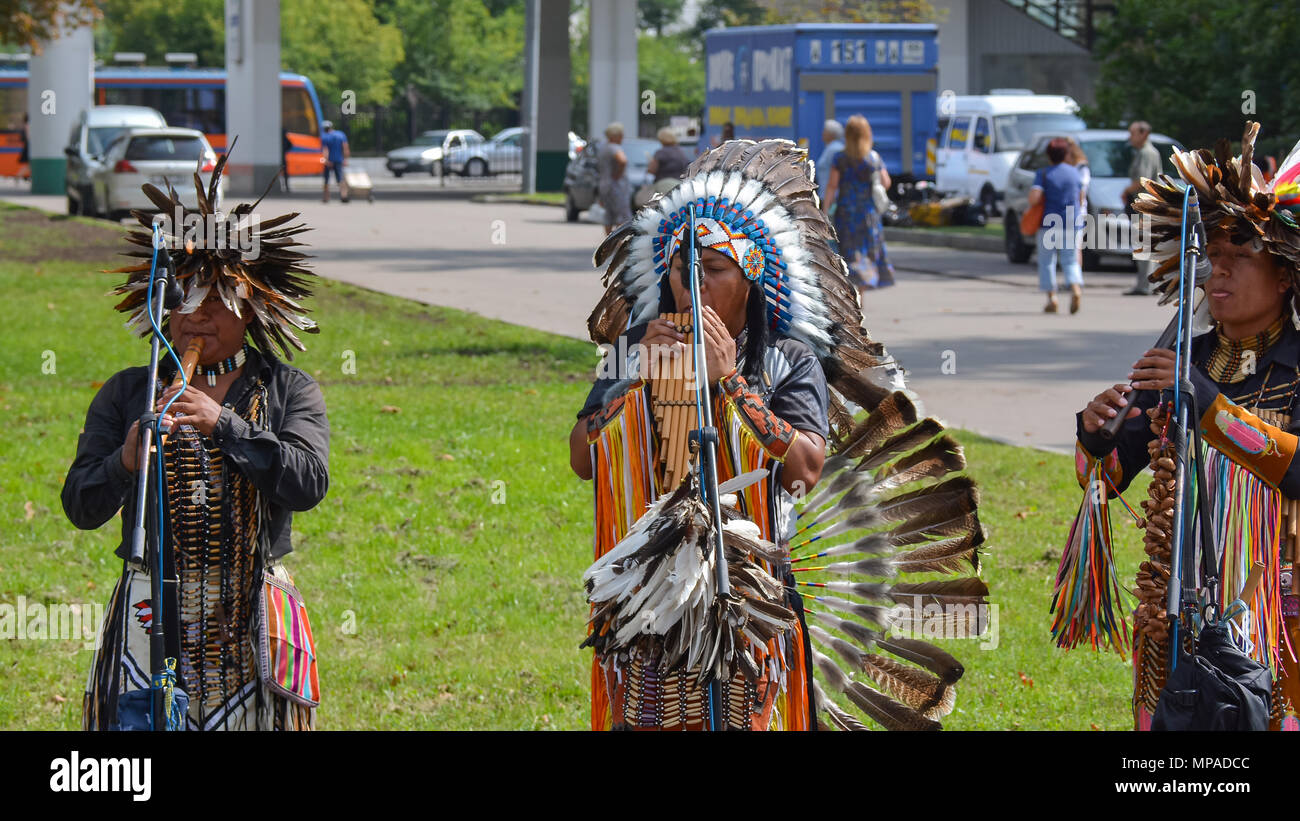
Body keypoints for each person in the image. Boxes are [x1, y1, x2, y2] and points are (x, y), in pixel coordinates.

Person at [571, 138, 989, 731]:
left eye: (712, 271)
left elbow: (805, 467)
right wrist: (633, 380)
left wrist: (731, 384)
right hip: (647, 591)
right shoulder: (635, 348)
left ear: (750, 277)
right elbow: (583, 459)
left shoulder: (789, 359)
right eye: (676, 269)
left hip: (752, 591)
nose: (691, 287)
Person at [66, 159, 330, 731]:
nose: (195, 317)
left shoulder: (285, 388)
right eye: (181, 300)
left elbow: (308, 483)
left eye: (215, 301)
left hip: (251, 611)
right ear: (159, 306)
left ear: (251, 307)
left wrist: (226, 425)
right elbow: (80, 506)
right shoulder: (130, 390)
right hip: (147, 615)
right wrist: (125, 460)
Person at [1073, 122, 1300, 730]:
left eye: (1238, 256)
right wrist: (1094, 437)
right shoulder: (1182, 361)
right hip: (1180, 608)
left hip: (1282, 616)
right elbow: (1110, 476)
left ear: (1284, 276)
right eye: (1213, 256)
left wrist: (1211, 411)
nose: (1217, 272)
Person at [822, 114, 895, 294]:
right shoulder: (873, 158)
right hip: (868, 213)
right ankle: (861, 294)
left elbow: (832, 186)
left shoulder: (840, 158)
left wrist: (824, 211)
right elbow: (886, 182)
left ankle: (850, 294)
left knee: (848, 252)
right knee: (864, 254)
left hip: (846, 213)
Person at [1029, 137, 1084, 313]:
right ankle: (1075, 288)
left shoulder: (1043, 174)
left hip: (1048, 224)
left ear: (1049, 155)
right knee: (1070, 260)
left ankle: (1052, 298)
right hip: (1071, 222)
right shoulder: (1075, 173)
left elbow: (1034, 198)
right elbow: (1081, 198)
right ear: (1066, 154)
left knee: (1046, 261)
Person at [1122, 121, 1161, 295]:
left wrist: (1125, 191)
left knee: (1143, 244)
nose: (1130, 137)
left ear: (1143, 134)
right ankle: (1148, 284)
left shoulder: (1146, 153)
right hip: (1145, 205)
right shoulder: (1145, 152)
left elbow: (1141, 180)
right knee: (1145, 244)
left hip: (1145, 205)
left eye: (1133, 133)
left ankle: (1145, 285)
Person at [596, 122, 630, 235]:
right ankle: (619, 243)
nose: (622, 137)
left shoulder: (603, 147)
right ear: (615, 136)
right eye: (621, 135)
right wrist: (618, 174)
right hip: (616, 186)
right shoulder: (614, 147)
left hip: (604, 185)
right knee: (622, 215)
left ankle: (608, 242)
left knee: (608, 215)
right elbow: (622, 160)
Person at [815, 119, 844, 209]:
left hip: (831, 197)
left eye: (825, 131)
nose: (823, 133)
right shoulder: (830, 148)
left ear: (831, 134)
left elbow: (837, 176)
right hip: (827, 195)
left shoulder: (834, 149)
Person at [320, 120, 350, 203]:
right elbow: (345, 147)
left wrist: (326, 160)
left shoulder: (324, 136)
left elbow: (325, 150)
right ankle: (344, 195)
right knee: (340, 179)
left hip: (329, 161)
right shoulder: (341, 134)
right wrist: (346, 159)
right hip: (339, 160)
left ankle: (326, 197)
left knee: (326, 179)